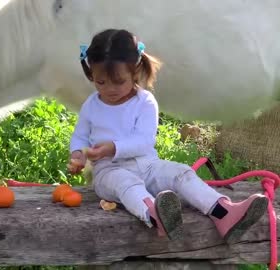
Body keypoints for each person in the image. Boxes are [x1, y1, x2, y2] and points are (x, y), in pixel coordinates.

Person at [67, 29, 268, 242]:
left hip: (147, 165)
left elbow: (144, 141)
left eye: (119, 81)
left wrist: (113, 147)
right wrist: (78, 154)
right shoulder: (92, 105)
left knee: (181, 173)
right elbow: (80, 135)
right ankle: (157, 216)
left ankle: (224, 213)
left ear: (135, 71)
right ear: (92, 75)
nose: (110, 89)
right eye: (101, 82)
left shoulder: (144, 102)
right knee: (126, 183)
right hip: (108, 172)